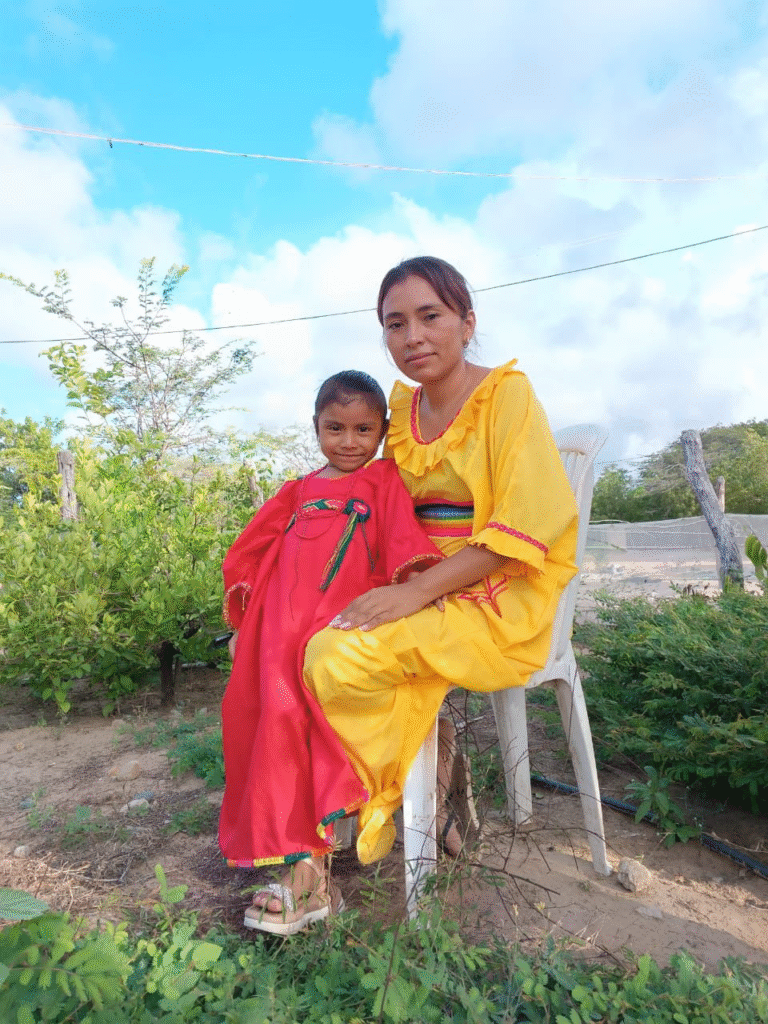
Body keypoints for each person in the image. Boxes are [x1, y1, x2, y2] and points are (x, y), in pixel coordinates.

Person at [301, 256, 580, 880]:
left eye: (431, 316)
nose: (413, 337)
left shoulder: (506, 396)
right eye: (395, 323)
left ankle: (386, 796)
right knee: (305, 634)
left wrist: (419, 592)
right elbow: (367, 500)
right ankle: (432, 762)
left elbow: (521, 530)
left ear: (467, 321)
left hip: (498, 594)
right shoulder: (398, 414)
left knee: (336, 656)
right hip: (419, 587)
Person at [219, 370, 444, 935]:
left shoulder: (382, 481)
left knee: (314, 714)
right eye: (334, 428)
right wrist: (249, 614)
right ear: (315, 426)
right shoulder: (297, 491)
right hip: (282, 628)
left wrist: (416, 588)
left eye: (364, 429)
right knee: (274, 716)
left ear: (383, 431)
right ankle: (302, 859)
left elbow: (402, 546)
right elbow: (252, 549)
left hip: (341, 622)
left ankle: (308, 869)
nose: (348, 442)